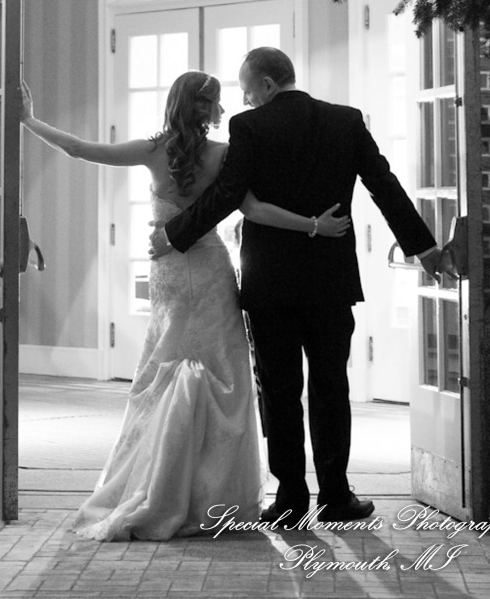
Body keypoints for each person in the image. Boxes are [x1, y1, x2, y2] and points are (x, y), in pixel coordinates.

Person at [20, 71, 349, 541]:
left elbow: (78, 148)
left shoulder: (151, 150)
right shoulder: (223, 154)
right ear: (205, 109)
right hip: (210, 269)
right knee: (222, 373)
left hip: (170, 273)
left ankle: (159, 484)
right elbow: (255, 210)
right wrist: (313, 225)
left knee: (167, 367)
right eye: (216, 103)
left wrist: (29, 121)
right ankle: (210, 495)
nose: (222, 109)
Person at [150, 47, 445, 529]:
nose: (245, 100)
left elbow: (228, 196)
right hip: (331, 279)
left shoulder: (248, 127)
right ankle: (336, 496)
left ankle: (289, 499)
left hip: (270, 281)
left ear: (267, 84)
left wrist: (174, 234)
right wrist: (424, 248)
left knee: (279, 390)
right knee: (331, 386)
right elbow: (383, 185)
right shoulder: (346, 121)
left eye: (247, 90)